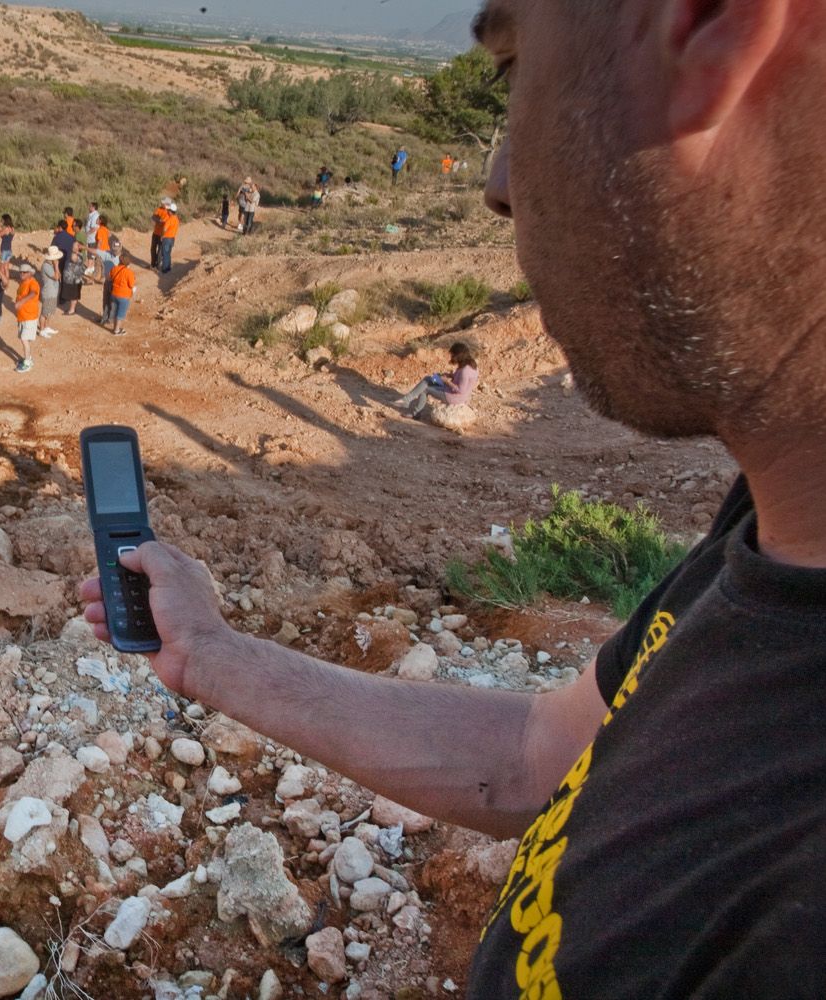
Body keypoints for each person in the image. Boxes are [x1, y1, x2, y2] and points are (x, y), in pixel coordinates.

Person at [81, 3, 826, 997]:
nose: (498, 185)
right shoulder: (766, 540)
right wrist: (212, 655)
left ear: (713, 26)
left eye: (514, 67)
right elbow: (539, 758)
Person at [394, 342, 480, 417]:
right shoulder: (471, 365)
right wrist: (450, 375)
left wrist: (446, 381)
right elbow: (461, 379)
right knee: (429, 379)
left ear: (458, 356)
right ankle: (407, 400)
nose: (452, 357)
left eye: (453, 355)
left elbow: (460, 390)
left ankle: (415, 413)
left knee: (425, 390)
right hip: (451, 391)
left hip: (453, 396)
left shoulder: (465, 370)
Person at [12, 262, 41, 373]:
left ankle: (28, 362)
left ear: (30, 273)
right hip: (22, 316)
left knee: (24, 339)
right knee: (24, 338)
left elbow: (33, 293)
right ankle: (28, 358)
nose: (22, 274)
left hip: (29, 316)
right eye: (21, 272)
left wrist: (21, 303)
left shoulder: (33, 283)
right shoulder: (23, 283)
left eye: (24, 272)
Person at [106, 250, 135, 336]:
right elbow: (131, 284)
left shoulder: (114, 268)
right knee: (120, 313)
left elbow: (109, 278)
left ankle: (115, 327)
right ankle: (116, 330)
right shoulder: (129, 272)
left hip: (114, 293)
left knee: (115, 311)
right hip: (124, 296)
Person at [58, 242, 88, 315]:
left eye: (74, 245)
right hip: (72, 279)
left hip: (74, 280)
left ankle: (72, 310)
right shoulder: (77, 255)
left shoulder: (77, 255)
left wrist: (76, 251)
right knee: (73, 295)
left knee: (73, 296)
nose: (72, 246)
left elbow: (73, 258)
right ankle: (72, 308)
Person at [38, 244, 61, 337]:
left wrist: (56, 267)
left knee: (50, 311)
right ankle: (42, 329)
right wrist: (56, 266)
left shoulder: (51, 265)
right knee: (44, 312)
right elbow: (56, 277)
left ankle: (46, 327)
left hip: (53, 292)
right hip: (48, 293)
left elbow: (59, 275)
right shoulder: (46, 266)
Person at [159, 198, 179, 274]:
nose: (167, 211)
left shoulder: (169, 219)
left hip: (167, 238)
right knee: (168, 253)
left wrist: (162, 236)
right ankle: (168, 267)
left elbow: (164, 229)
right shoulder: (176, 219)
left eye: (168, 210)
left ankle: (165, 269)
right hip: (172, 238)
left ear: (171, 211)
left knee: (165, 254)